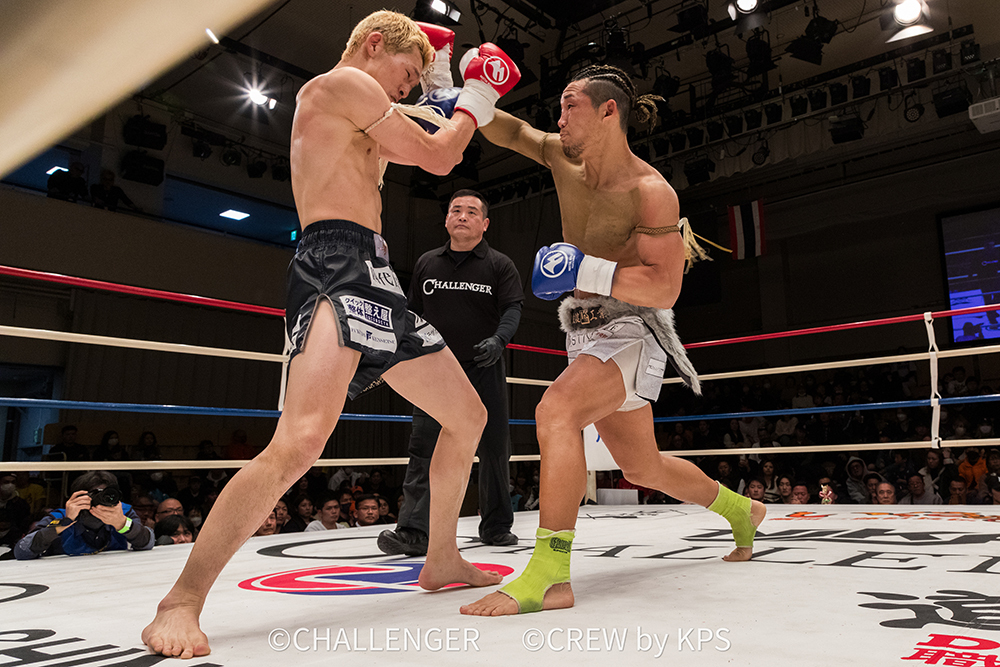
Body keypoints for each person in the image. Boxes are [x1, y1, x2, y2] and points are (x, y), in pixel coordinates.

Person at [142, 11, 521, 656]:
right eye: (406, 73)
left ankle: (440, 556)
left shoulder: (368, 108)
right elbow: (439, 156)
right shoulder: (339, 85)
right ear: (373, 45)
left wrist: (442, 84)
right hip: (334, 265)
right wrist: (479, 95)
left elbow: (427, 129)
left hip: (377, 273)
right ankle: (181, 600)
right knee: (300, 442)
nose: (406, 87)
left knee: (468, 416)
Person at [461, 64, 764, 618]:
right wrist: (466, 98)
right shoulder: (562, 158)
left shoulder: (651, 192)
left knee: (556, 411)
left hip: (633, 328)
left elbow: (665, 285)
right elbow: (512, 130)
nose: (559, 118)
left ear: (608, 111)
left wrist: (587, 269)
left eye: (570, 105)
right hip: (581, 327)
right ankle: (741, 511)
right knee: (642, 467)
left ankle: (550, 576)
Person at [379, 188, 523, 556]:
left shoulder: (500, 265)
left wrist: (499, 340)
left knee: (494, 449)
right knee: (424, 448)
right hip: (435, 371)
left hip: (483, 367)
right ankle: (414, 531)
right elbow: (412, 312)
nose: (462, 216)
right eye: (456, 210)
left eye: (472, 212)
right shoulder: (427, 263)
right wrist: (407, 352)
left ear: (485, 224)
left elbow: (513, 308)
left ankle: (496, 526)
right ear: (446, 220)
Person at [14, 471, 153, 559]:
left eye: (106, 495)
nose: (100, 501)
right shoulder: (60, 516)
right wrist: (64, 523)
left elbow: (147, 543)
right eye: (94, 495)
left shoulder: (122, 512)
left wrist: (123, 524)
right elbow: (22, 550)